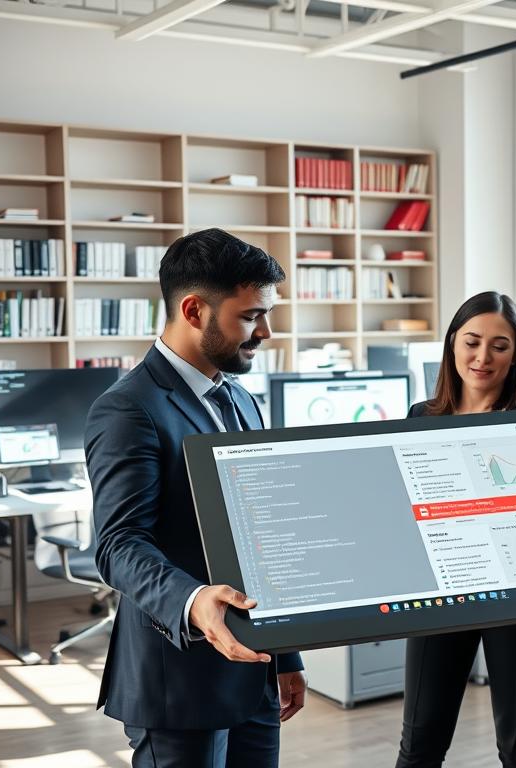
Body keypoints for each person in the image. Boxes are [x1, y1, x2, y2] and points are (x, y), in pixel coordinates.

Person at [86, 229, 306, 768]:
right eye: (251, 316)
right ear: (193, 310)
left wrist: (286, 655)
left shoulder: (242, 400)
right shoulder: (128, 408)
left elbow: (260, 537)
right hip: (179, 675)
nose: (266, 332)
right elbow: (119, 545)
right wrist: (193, 601)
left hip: (254, 669)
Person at [395, 291, 516, 768]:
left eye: (499, 346)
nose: (483, 357)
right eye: (472, 341)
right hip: (441, 594)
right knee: (419, 741)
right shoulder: (421, 416)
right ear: (452, 344)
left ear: (515, 355)